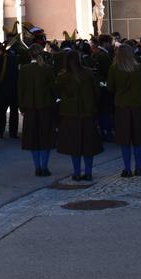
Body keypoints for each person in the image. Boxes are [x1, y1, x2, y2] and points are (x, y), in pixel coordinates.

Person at [55, 50, 103, 181]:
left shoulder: (63, 76)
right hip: (88, 113)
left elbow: (57, 93)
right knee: (88, 144)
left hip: (70, 114)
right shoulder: (88, 73)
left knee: (73, 145)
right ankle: (88, 172)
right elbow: (96, 92)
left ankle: (76, 173)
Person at [107, 42, 141, 177]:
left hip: (122, 107)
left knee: (125, 140)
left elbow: (110, 87)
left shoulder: (114, 69)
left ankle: (127, 168)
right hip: (137, 106)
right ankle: (138, 167)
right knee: (138, 140)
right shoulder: (139, 68)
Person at [17, 44, 56, 176]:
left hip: (30, 108)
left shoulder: (24, 69)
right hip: (45, 107)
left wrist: (21, 107)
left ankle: (37, 167)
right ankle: (44, 167)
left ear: (29, 55)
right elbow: (53, 90)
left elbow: (20, 90)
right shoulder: (47, 69)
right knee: (45, 138)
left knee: (33, 139)